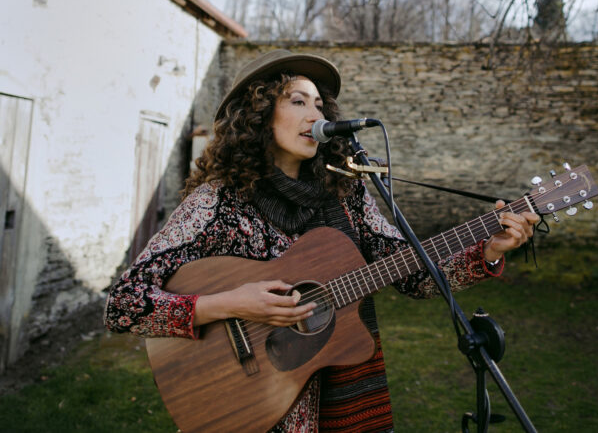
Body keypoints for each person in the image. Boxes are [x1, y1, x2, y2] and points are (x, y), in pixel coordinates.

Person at [104, 49, 538, 432]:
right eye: (297, 101)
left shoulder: (346, 195)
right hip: (251, 408)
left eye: (319, 104)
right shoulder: (216, 202)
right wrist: (231, 303)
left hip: (345, 409)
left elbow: (412, 273)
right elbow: (123, 304)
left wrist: (487, 250)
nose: (316, 116)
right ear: (257, 115)